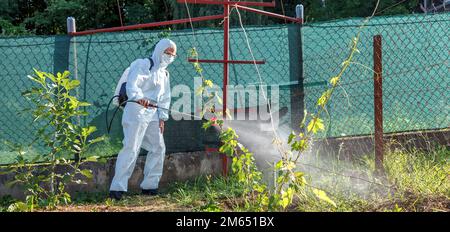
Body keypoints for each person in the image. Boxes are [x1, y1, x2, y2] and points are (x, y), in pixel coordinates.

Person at [109, 38, 177, 200]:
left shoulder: (164, 73)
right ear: (159, 51)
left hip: (153, 114)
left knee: (158, 148)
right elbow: (132, 84)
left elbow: (165, 98)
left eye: (172, 55)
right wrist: (139, 98)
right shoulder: (144, 64)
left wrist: (162, 117)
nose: (169, 57)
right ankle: (117, 189)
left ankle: (150, 186)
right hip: (136, 111)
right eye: (167, 53)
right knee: (132, 147)